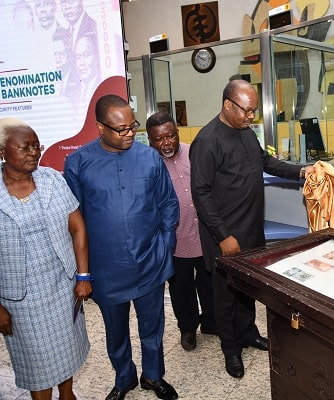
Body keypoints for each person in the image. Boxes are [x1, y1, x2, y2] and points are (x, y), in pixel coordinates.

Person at [189, 79, 314, 379]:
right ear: (227, 104)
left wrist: (300, 171)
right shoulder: (207, 141)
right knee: (225, 295)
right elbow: (201, 193)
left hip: (251, 230)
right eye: (247, 111)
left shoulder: (245, 133)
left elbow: (265, 162)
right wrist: (223, 236)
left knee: (247, 290)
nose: (251, 117)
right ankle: (230, 349)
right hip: (226, 237)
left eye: (254, 112)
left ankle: (248, 333)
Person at [64, 95, 180, 400]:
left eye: (132, 126)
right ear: (100, 127)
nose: (129, 133)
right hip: (106, 269)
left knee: (152, 329)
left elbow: (168, 203)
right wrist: (84, 273)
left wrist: (165, 246)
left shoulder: (149, 158)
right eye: (120, 129)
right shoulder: (78, 163)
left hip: (149, 263)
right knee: (115, 333)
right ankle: (124, 377)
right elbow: (74, 221)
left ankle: (153, 377)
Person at [0, 118, 91, 400]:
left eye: (36, 146)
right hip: (20, 300)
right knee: (37, 361)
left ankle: (67, 395)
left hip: (61, 287)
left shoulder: (51, 179)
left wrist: (83, 276)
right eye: (24, 147)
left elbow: (77, 227)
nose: (33, 152)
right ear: (2, 151)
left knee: (66, 349)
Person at [146, 112, 218, 351]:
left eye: (170, 136)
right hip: (174, 242)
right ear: (149, 140)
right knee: (181, 289)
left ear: (177, 133)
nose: (166, 143)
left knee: (208, 283)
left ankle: (210, 322)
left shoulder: (194, 153)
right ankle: (187, 328)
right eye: (159, 139)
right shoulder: (149, 165)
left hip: (204, 236)